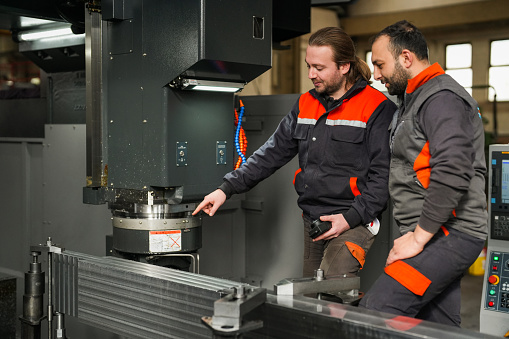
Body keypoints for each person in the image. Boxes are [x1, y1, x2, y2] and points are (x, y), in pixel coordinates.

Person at [193, 27, 397, 279]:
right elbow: (270, 154)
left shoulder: (376, 107)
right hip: (313, 218)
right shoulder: (305, 104)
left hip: (353, 218)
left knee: (334, 286)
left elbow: (383, 176)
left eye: (319, 68)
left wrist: (350, 218)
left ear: (344, 66)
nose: (311, 74)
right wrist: (226, 188)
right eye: (308, 66)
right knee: (309, 299)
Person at [358, 20, 488, 327]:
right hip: (434, 232)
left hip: (448, 233)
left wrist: (418, 237)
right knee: (437, 325)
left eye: (379, 64)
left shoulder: (441, 98)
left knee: (376, 310)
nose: (376, 75)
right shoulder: (412, 99)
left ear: (405, 58)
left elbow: (453, 168)